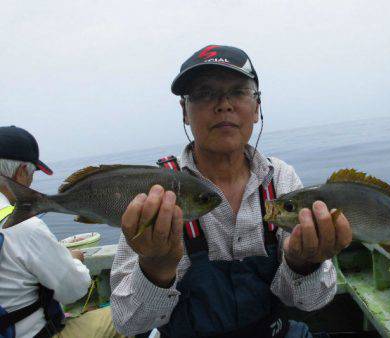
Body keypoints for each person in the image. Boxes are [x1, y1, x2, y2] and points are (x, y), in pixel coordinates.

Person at [110, 45, 352, 338]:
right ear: (185, 112)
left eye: (238, 92)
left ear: (257, 108)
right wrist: (156, 268)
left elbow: (310, 301)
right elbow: (128, 322)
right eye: (204, 93)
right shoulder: (157, 189)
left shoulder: (281, 179)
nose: (224, 104)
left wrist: (305, 263)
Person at [0, 126, 124, 338]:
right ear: (21, 172)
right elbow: (74, 291)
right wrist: (75, 260)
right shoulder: (23, 225)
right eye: (31, 174)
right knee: (128, 317)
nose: (31, 181)